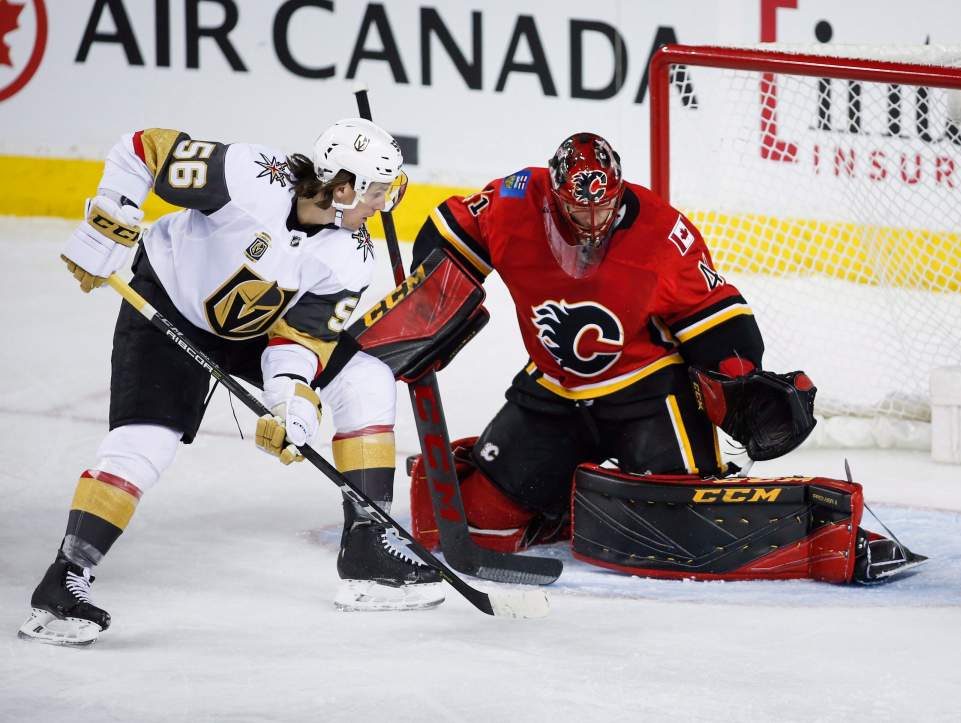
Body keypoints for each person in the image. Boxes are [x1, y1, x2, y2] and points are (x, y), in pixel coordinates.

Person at [20, 119, 444, 647]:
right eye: (376, 192)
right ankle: (64, 579)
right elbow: (141, 149)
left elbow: (298, 342)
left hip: (256, 332)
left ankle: (368, 545)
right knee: (145, 444)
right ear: (342, 189)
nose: (383, 206)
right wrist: (112, 218)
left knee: (364, 374)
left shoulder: (350, 254)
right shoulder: (248, 175)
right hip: (169, 303)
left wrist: (291, 404)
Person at [407, 132, 785, 552]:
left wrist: (740, 375)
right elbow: (453, 232)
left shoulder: (661, 231)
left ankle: (606, 496)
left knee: (680, 532)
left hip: (647, 392)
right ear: (553, 198)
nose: (591, 223)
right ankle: (565, 509)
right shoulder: (514, 203)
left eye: (602, 208)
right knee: (481, 524)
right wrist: (427, 299)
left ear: (619, 193)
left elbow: (712, 309)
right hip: (554, 388)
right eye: (576, 209)